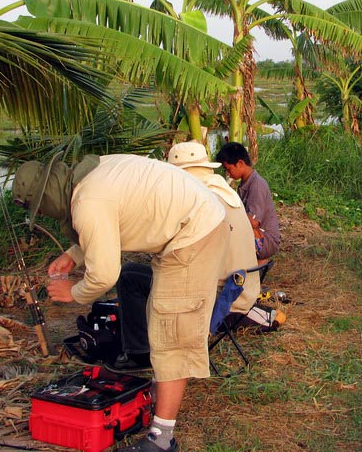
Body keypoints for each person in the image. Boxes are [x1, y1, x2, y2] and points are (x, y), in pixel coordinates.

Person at [12, 153, 229, 452]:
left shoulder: (88, 202)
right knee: (160, 320)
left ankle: (162, 439)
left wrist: (73, 293)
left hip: (194, 233)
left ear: (47, 199)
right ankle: (159, 396)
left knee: (171, 333)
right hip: (192, 223)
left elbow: (103, 276)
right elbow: (109, 221)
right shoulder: (93, 174)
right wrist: (73, 255)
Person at [113, 141, 262, 372]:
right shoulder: (224, 190)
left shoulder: (193, 198)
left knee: (129, 276)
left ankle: (139, 353)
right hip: (244, 288)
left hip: (217, 295)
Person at [214, 142, 280, 262]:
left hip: (266, 240)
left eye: (228, 169)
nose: (228, 174)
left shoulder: (256, 185)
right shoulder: (246, 183)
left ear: (240, 163)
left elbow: (253, 222)